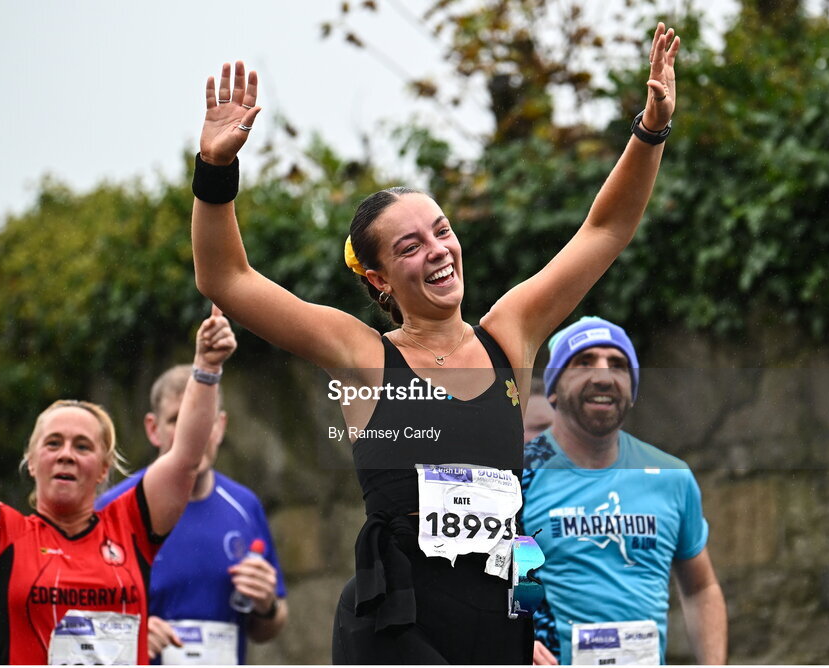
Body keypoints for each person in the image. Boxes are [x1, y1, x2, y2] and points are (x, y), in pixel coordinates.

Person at [189, 22, 680, 665]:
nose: (438, 251)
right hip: (396, 633)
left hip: (495, 633)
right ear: (377, 278)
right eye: (409, 246)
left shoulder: (510, 335)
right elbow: (225, 276)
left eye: (441, 230)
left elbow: (606, 228)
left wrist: (650, 131)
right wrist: (216, 168)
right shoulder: (365, 356)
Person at [0, 289, 231, 664]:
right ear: (32, 462)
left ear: (103, 469)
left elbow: (185, 458)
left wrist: (207, 368)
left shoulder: (131, 525)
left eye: (82, 446)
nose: (66, 454)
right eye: (53, 443)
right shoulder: (4, 536)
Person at [522, 316, 727, 665]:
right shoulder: (515, 475)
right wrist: (512, 639)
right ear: (553, 389)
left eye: (617, 365)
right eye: (584, 362)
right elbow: (474, 586)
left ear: (631, 391)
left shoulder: (671, 476)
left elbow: (701, 587)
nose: (603, 376)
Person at [96, 346, 288, 665]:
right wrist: (129, 636)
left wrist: (266, 605)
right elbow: (77, 620)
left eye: (204, 420)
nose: (194, 433)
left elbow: (268, 627)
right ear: (153, 429)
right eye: (177, 419)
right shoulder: (112, 508)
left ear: (221, 426)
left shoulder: (244, 505)